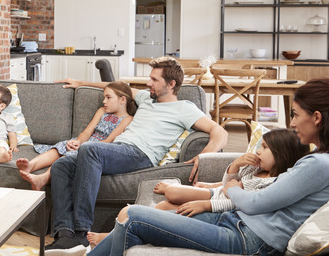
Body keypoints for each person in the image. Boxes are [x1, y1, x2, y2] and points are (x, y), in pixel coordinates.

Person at [88, 78, 329, 256]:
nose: (291, 123)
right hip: (237, 224)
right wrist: (231, 187)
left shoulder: (321, 163)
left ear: (316, 118)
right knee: (133, 222)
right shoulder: (326, 159)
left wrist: (230, 189)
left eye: (294, 115)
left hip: (249, 239)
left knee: (135, 217)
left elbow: (257, 203)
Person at [45, 56, 228, 255]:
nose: (148, 83)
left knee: (90, 149)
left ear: (171, 84)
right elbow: (115, 86)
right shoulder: (145, 98)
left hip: (140, 154)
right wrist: (80, 83)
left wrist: (205, 155)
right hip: (116, 150)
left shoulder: (184, 108)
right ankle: (64, 235)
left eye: (155, 80)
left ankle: (81, 234)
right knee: (61, 165)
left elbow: (220, 132)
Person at [86, 128, 309, 247]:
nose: (258, 151)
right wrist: (235, 166)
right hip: (229, 217)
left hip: (232, 219)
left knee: (132, 215)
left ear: (282, 155)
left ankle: (107, 238)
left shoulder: (272, 182)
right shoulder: (252, 170)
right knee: (143, 213)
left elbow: (238, 200)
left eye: (266, 148)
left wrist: (210, 202)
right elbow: (227, 186)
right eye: (260, 145)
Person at [17, 81, 137, 190]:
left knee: (71, 155)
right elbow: (87, 132)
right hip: (86, 142)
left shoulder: (128, 119)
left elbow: (108, 141)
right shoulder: (102, 111)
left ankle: (43, 178)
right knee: (62, 146)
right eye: (104, 97)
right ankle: (31, 165)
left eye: (108, 97)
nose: (104, 101)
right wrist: (78, 142)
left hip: (98, 148)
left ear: (122, 100)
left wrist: (84, 147)